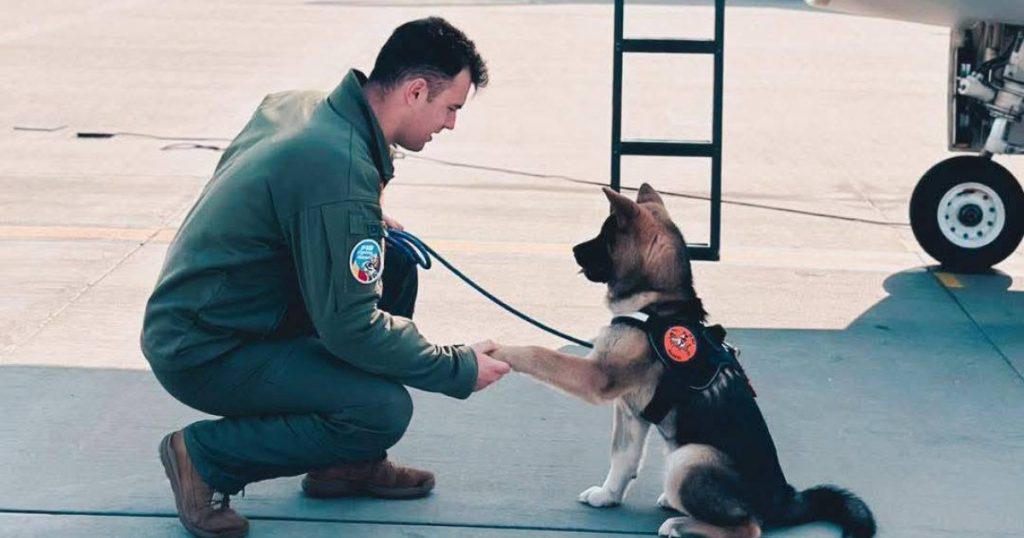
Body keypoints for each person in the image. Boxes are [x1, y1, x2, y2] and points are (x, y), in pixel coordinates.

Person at [141, 17, 509, 538]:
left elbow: (278, 175)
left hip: (227, 312)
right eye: (450, 108)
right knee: (381, 410)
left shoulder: (309, 109)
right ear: (414, 91)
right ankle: (204, 457)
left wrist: (343, 220)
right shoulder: (338, 170)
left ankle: (346, 464)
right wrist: (457, 368)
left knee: (394, 265)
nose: (450, 124)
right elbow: (351, 328)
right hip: (205, 348)